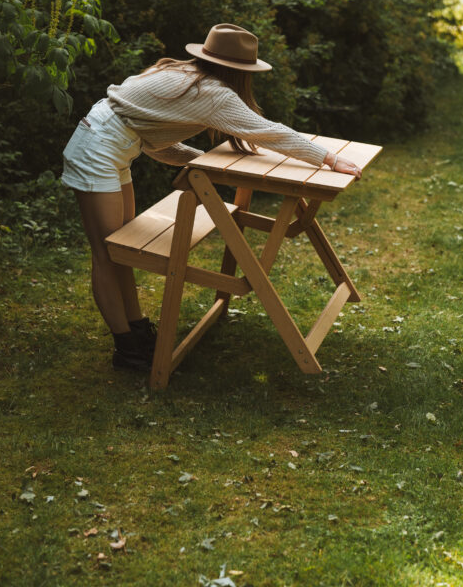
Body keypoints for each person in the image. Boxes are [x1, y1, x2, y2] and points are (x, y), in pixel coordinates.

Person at [61, 23, 362, 372]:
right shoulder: (212, 93)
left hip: (115, 146)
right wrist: (328, 158)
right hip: (97, 147)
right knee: (107, 253)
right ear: (241, 71)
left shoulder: (185, 75)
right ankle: (127, 349)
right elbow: (269, 133)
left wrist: (200, 162)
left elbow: (147, 135)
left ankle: (137, 330)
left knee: (119, 252)